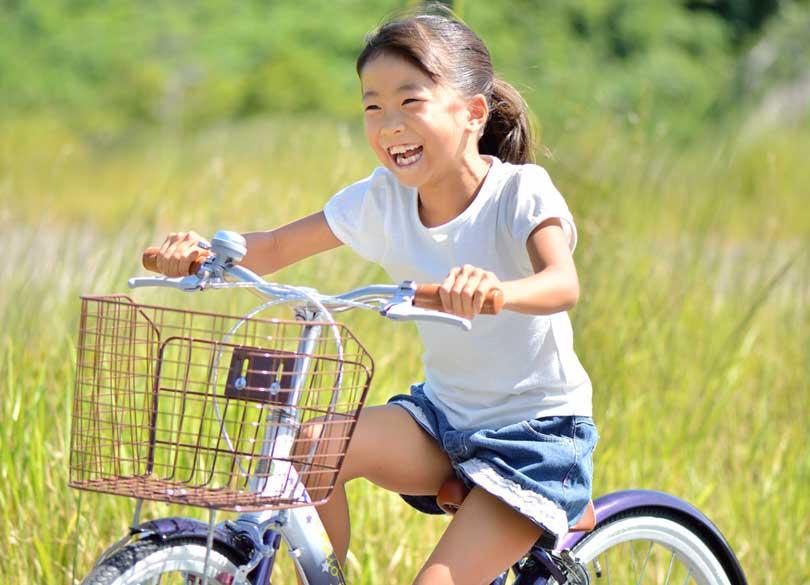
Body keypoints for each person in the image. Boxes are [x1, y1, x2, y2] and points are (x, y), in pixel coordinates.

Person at [155, 7, 597, 585]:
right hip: (442, 420)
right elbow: (275, 246)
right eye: (372, 107)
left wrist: (496, 290)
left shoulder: (519, 193)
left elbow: (563, 284)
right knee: (309, 450)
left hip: (534, 438)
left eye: (410, 102)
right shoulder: (382, 200)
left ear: (473, 113)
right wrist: (205, 255)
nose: (389, 125)